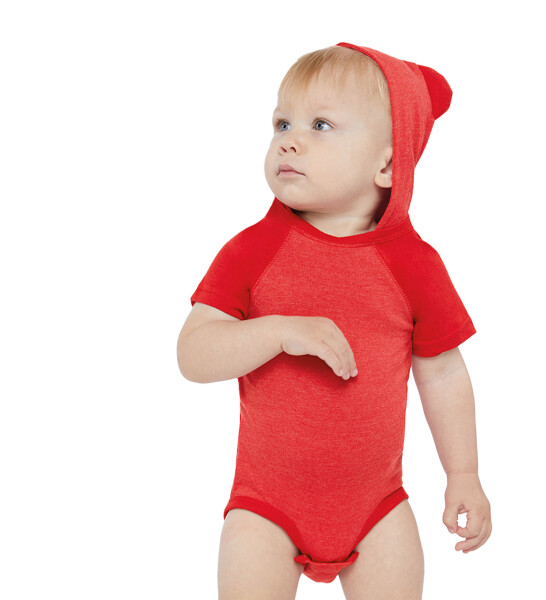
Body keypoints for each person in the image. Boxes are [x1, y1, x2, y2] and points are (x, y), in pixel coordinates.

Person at [177, 42, 492, 600]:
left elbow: (443, 374)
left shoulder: (415, 265)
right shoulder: (253, 251)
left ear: (388, 165)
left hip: (377, 508)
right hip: (265, 507)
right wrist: (278, 331)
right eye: (282, 123)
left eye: (320, 125)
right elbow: (193, 355)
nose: (288, 139)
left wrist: (463, 474)